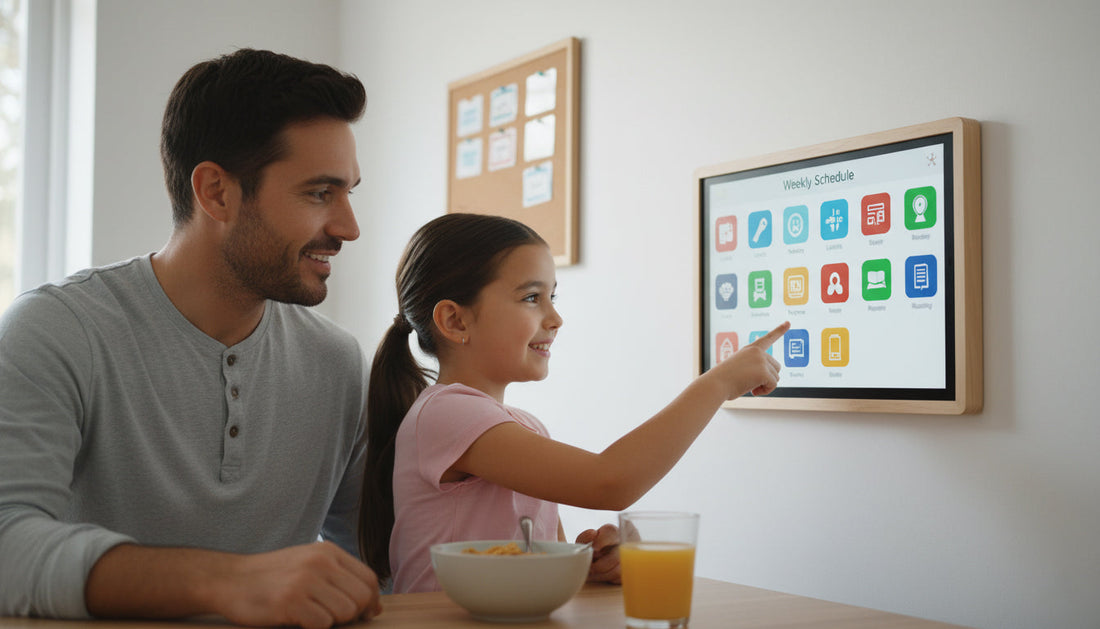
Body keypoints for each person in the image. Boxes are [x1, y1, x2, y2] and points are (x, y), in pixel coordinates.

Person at [0, 49, 382, 626]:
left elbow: (384, 563)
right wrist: (227, 582)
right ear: (216, 192)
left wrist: (550, 561)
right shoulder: (57, 332)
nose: (349, 227)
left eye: (349, 192)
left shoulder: (338, 363)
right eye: (319, 193)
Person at [359, 213, 789, 592]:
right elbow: (610, 483)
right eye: (531, 297)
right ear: (455, 320)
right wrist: (716, 385)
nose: (555, 317)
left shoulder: (523, 425)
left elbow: (536, 564)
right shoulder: (445, 412)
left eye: (553, 296)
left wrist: (587, 566)